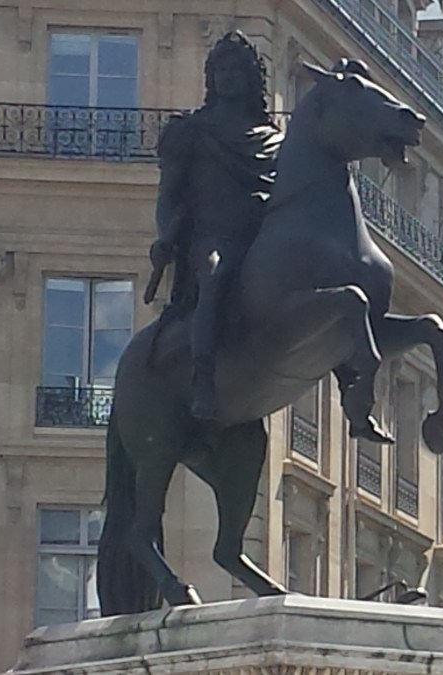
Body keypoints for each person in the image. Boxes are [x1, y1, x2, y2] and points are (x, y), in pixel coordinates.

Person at [146, 31, 283, 420]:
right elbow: (170, 195)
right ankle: (202, 380)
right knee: (214, 272)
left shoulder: (274, 141)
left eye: (235, 69)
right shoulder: (190, 131)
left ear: (251, 78)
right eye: (219, 69)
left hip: (262, 241)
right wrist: (164, 237)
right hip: (212, 236)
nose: (226, 76)